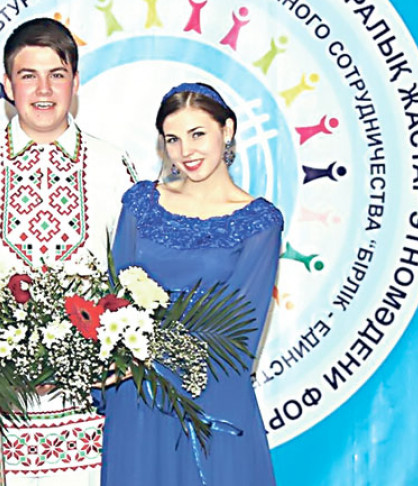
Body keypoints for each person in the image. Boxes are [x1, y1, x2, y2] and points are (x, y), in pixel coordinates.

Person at [0, 17, 137, 486]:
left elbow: (134, 275)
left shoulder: (111, 164)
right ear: (7, 85)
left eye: (56, 75)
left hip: (89, 399)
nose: (43, 89)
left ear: (75, 83)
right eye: (28, 75)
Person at [99, 82, 283, 485]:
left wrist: (149, 357)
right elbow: (114, 303)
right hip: (137, 401)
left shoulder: (259, 222)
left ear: (227, 130)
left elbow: (238, 336)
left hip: (210, 403)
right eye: (173, 139)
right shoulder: (141, 204)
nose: (186, 151)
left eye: (198, 134)